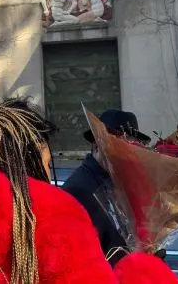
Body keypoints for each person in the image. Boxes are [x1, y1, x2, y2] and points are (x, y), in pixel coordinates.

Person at [0, 99, 178, 284]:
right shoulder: (54, 214)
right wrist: (145, 269)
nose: (49, 159)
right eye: (45, 150)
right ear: (33, 151)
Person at [63, 109, 152, 265]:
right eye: (119, 143)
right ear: (98, 144)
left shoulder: (121, 184)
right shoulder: (78, 189)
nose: (127, 152)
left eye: (131, 145)